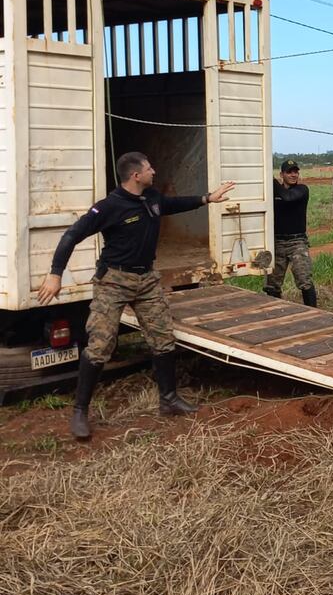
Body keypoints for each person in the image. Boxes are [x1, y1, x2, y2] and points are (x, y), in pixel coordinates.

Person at [37, 152, 235, 440]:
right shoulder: (107, 207)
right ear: (135, 175)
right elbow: (71, 235)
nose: (154, 170)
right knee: (101, 344)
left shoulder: (152, 198)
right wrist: (55, 274)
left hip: (146, 280)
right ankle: (80, 411)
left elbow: (172, 205)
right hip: (113, 281)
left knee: (163, 338)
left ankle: (168, 399)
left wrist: (207, 198)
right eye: (149, 168)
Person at [264, 159, 317, 308]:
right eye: (289, 172)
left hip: (297, 242)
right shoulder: (274, 192)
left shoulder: (302, 190)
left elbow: (288, 198)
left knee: (304, 279)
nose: (294, 175)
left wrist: (270, 179)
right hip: (277, 242)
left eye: (296, 171)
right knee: (272, 284)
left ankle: (313, 313)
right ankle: (275, 311)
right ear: (282, 174)